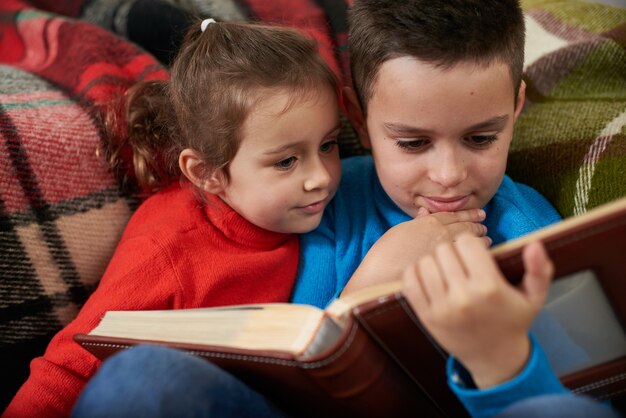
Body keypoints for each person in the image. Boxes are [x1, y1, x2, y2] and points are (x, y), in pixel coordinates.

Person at [4, 19, 346, 418]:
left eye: (329, 145)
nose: (321, 177)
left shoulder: (333, 204)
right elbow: (72, 363)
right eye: (286, 161)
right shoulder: (168, 248)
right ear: (207, 174)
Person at [71, 236, 621, 418]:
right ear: (357, 116)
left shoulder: (531, 230)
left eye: (480, 139)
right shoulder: (314, 204)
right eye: (410, 144)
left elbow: (587, 392)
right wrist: (361, 289)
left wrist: (501, 361)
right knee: (141, 378)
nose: (449, 175)